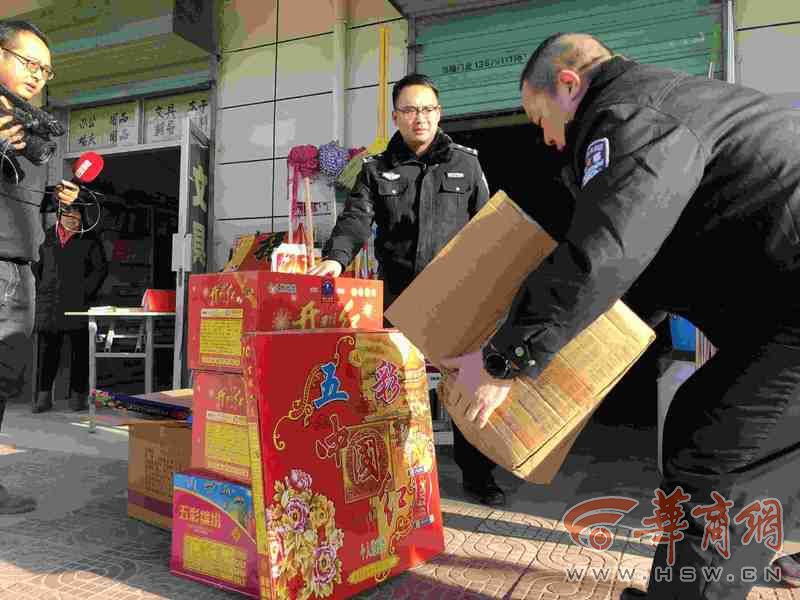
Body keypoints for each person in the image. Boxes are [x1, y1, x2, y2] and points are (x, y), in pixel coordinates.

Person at [442, 32, 800, 599]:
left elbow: (606, 250)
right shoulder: (667, 102)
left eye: (541, 120)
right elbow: (645, 274)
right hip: (782, 312)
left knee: (712, 455)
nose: (549, 140)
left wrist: (502, 361)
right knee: (735, 443)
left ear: (568, 83)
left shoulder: (631, 115)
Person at [309, 73, 505, 506]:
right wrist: (335, 258)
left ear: (439, 114)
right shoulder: (377, 169)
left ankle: (478, 475)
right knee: (390, 385)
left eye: (429, 109)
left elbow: (489, 227)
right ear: (396, 115)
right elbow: (356, 219)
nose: (421, 118)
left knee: (464, 384)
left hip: (458, 298)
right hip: (399, 299)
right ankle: (392, 469)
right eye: (411, 110)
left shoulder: (467, 164)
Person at [0, 20, 78, 514]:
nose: (37, 76)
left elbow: (28, 206)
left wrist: (56, 200)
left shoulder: (34, 132)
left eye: (45, 70)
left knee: (4, 379)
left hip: (20, 269)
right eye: (29, 62)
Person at [33, 202, 107, 412]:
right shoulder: (46, 237)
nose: (72, 221)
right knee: (47, 352)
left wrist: (85, 291)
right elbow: (36, 267)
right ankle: (44, 397)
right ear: (59, 217)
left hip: (79, 303)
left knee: (80, 352)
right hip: (50, 302)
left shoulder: (90, 238)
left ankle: (78, 397)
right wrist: (42, 289)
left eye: (76, 217)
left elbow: (100, 269)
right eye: (68, 216)